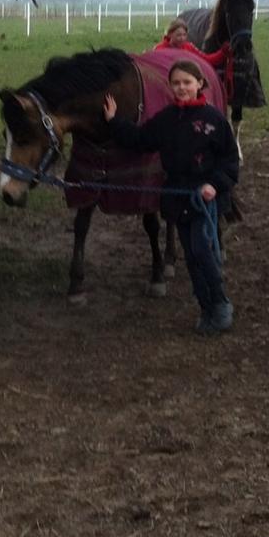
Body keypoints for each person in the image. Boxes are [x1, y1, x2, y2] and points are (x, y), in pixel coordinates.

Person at [103, 59, 239, 334]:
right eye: (176, 83)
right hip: (178, 200)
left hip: (205, 199)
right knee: (190, 256)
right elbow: (140, 140)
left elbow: (229, 161)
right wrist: (115, 122)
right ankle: (205, 307)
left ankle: (221, 304)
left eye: (187, 82)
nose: (181, 88)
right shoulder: (166, 120)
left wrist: (214, 184)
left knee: (202, 250)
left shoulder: (214, 120)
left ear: (200, 84)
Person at [153, 18, 231, 75]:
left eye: (184, 35)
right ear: (170, 34)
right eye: (178, 35)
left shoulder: (189, 47)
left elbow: (207, 60)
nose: (182, 38)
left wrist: (223, 52)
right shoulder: (160, 49)